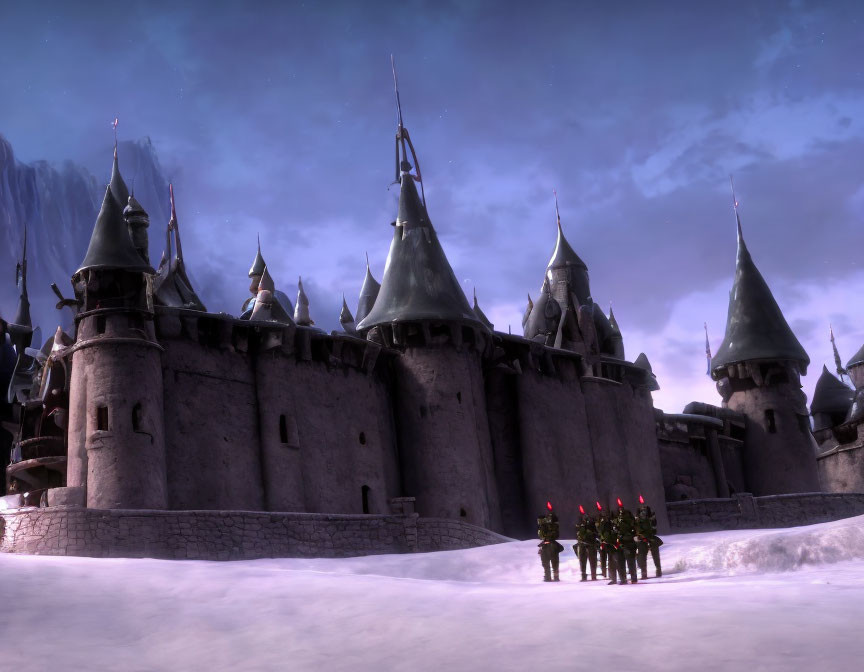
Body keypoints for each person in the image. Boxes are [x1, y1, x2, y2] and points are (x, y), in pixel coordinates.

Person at [636, 500, 663, 579]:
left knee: (655, 555)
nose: (643, 510)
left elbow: (654, 525)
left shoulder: (651, 516)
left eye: (644, 508)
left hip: (651, 537)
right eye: (642, 509)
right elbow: (636, 528)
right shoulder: (637, 518)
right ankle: (644, 573)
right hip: (642, 539)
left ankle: (658, 570)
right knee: (642, 556)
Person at [614, 500, 638, 585]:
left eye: (622, 510)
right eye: (620, 510)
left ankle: (633, 578)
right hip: (619, 543)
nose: (621, 511)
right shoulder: (617, 519)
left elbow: (632, 530)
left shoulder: (630, 520)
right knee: (620, 561)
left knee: (630, 561)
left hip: (628, 543)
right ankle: (623, 579)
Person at [537, 509, 564, 582]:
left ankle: (555, 576)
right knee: (545, 562)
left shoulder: (552, 525)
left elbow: (554, 534)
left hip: (551, 544)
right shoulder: (542, 527)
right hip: (546, 545)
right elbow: (541, 536)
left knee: (554, 561)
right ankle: (548, 576)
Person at [572, 508, 599, 581]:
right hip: (582, 544)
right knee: (582, 561)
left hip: (590, 544)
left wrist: (590, 532)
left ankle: (594, 575)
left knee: (593, 561)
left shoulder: (592, 524)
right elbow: (577, 534)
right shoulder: (579, 524)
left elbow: (596, 533)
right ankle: (583, 575)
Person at [597, 507, 619, 585]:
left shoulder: (614, 522)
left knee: (615, 561)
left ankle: (619, 578)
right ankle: (613, 578)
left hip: (614, 543)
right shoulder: (604, 523)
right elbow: (600, 531)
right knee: (611, 561)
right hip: (608, 543)